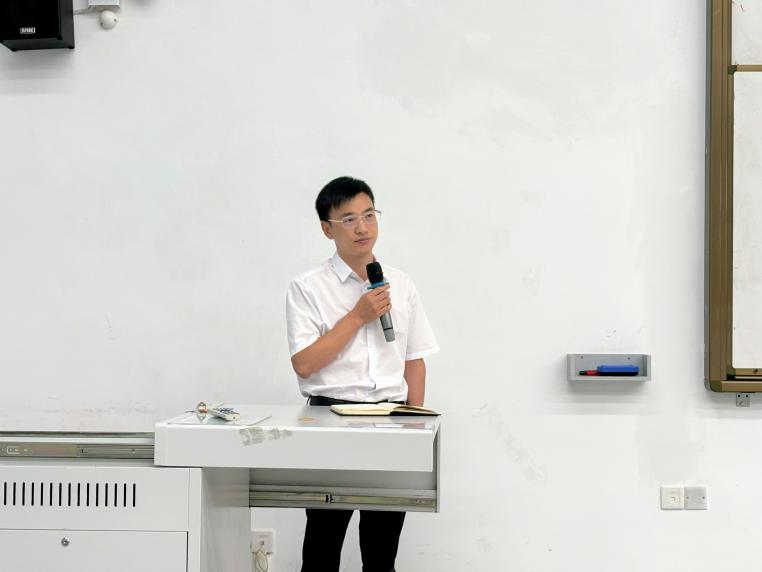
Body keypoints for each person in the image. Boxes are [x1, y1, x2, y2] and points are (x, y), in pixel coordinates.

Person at [285, 176, 439, 572]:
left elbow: (414, 359)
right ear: (328, 229)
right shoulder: (307, 287)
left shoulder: (400, 283)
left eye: (369, 215)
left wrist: (414, 423)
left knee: (382, 550)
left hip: (391, 419)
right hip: (329, 418)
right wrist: (357, 316)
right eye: (349, 219)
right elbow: (304, 363)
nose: (362, 227)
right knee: (322, 549)